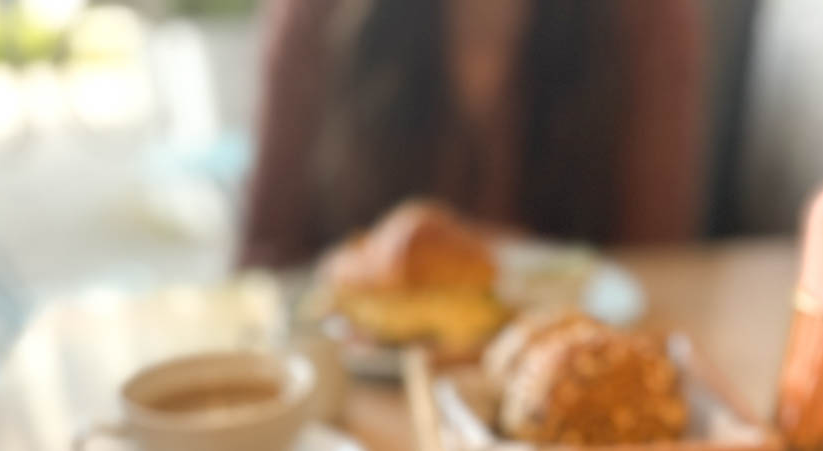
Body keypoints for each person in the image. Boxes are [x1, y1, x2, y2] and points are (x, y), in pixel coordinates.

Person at [240, 0, 706, 267]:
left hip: (565, 388)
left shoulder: (648, 17)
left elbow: (659, 267)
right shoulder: (317, 15)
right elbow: (264, 256)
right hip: (356, 393)